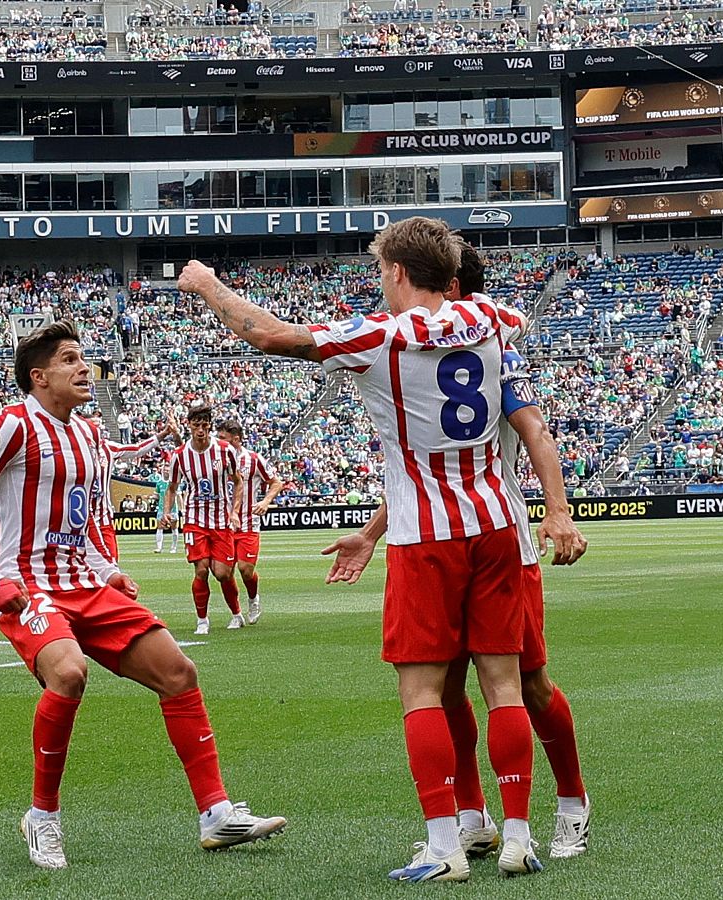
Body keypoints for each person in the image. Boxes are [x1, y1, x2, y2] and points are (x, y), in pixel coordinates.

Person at [177, 216, 535, 882]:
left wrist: (207, 284)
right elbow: (508, 328)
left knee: (423, 691)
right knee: (503, 684)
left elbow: (269, 334)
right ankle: (517, 836)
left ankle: (444, 846)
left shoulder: (380, 336)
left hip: (425, 533)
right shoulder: (495, 318)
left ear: (397, 272)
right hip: (495, 523)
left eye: (381, 272)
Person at [0, 321, 286, 871]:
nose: (84, 368)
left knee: (178, 672)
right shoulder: (11, 425)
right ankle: (42, 817)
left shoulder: (89, 434)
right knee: (69, 672)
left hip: (86, 583)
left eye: (83, 357)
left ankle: (216, 814)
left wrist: (109, 570)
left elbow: (89, 517)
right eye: (69, 359)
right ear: (39, 376)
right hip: (28, 586)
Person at [325, 246, 594, 862]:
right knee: (447, 687)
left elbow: (534, 430)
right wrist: (372, 533)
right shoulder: (466, 336)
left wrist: (557, 508)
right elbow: (427, 466)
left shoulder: (492, 347)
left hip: (502, 537)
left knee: (527, 684)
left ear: (449, 288)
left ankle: (572, 802)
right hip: (456, 528)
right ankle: (474, 817)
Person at [162, 405, 246, 634]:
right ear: (189, 425)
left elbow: (238, 482)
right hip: (194, 519)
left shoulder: (225, 450)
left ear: (210, 426)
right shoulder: (180, 455)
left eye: (204, 424)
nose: (200, 429)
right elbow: (172, 487)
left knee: (223, 573)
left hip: (221, 520)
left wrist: (234, 512)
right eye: (196, 424)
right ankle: (202, 620)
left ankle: (237, 613)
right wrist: (166, 512)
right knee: (201, 570)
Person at [218, 423, 284, 625]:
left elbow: (276, 482)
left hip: (248, 522)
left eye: (223, 438)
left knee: (245, 569)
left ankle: (253, 599)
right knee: (224, 572)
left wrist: (265, 501)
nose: (219, 442)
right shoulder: (214, 459)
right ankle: (236, 614)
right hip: (222, 524)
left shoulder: (253, 459)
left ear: (236, 439)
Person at [88, 412, 175, 561]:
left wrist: (163, 434)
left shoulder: (109, 448)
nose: (98, 430)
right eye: (94, 426)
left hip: (103, 520)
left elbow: (138, 448)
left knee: (111, 563)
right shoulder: (72, 449)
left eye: (100, 426)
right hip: (78, 521)